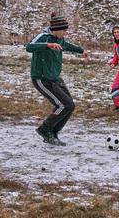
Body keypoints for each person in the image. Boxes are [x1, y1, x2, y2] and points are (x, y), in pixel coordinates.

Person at [26, 12, 88, 146]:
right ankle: (45, 129)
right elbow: (29, 47)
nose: (65, 32)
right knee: (63, 105)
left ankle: (53, 133)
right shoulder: (44, 37)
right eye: (64, 30)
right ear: (56, 29)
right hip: (41, 79)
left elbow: (68, 46)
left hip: (55, 78)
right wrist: (47, 45)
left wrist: (81, 50)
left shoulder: (60, 40)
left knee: (70, 106)